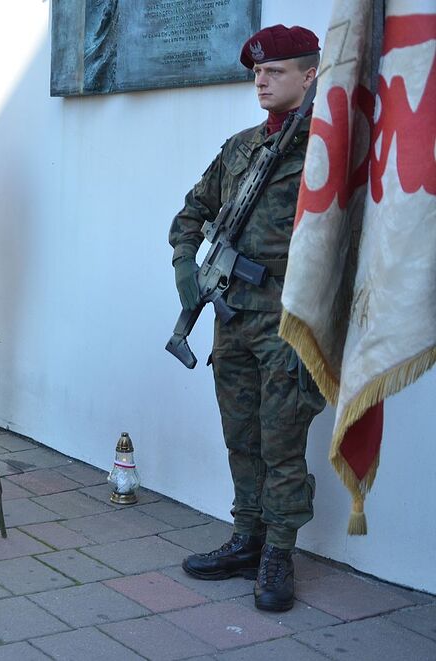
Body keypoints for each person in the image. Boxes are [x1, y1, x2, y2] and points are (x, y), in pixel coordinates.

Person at [169, 25, 326, 612]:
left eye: (275, 72)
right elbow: (192, 211)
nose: (260, 80)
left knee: (282, 442)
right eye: (256, 72)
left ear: (310, 76)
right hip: (232, 316)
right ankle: (246, 537)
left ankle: (279, 553)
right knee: (242, 436)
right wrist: (186, 263)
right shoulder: (240, 148)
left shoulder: (326, 149)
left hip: (288, 320)